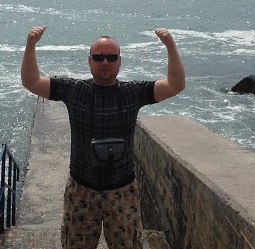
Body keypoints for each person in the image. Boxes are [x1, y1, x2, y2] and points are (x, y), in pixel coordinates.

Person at [21, 25, 186, 249]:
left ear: (120, 61)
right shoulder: (74, 90)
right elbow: (31, 82)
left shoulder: (133, 92)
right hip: (81, 191)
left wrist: (170, 46)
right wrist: (30, 45)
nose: (105, 62)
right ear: (89, 61)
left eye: (111, 57)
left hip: (123, 193)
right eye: (98, 57)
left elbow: (176, 84)